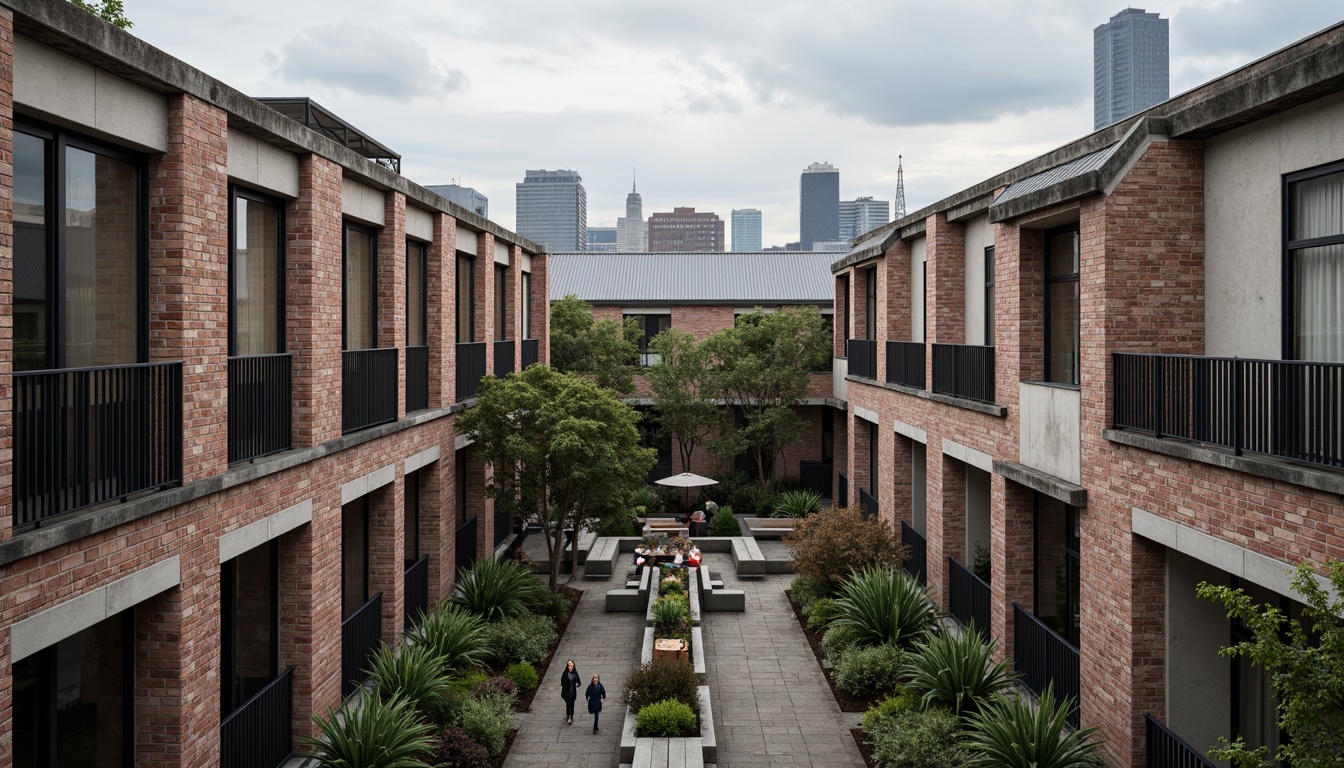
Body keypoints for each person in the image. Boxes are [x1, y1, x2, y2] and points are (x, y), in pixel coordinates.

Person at [559, 660, 581, 725]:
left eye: (572, 666)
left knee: (572, 704)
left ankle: (570, 715)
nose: (570, 667)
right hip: (566, 692)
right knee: (568, 704)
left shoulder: (575, 673)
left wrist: (577, 684)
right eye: (569, 666)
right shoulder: (565, 674)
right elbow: (562, 683)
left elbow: (579, 681)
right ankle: (569, 716)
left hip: (573, 692)